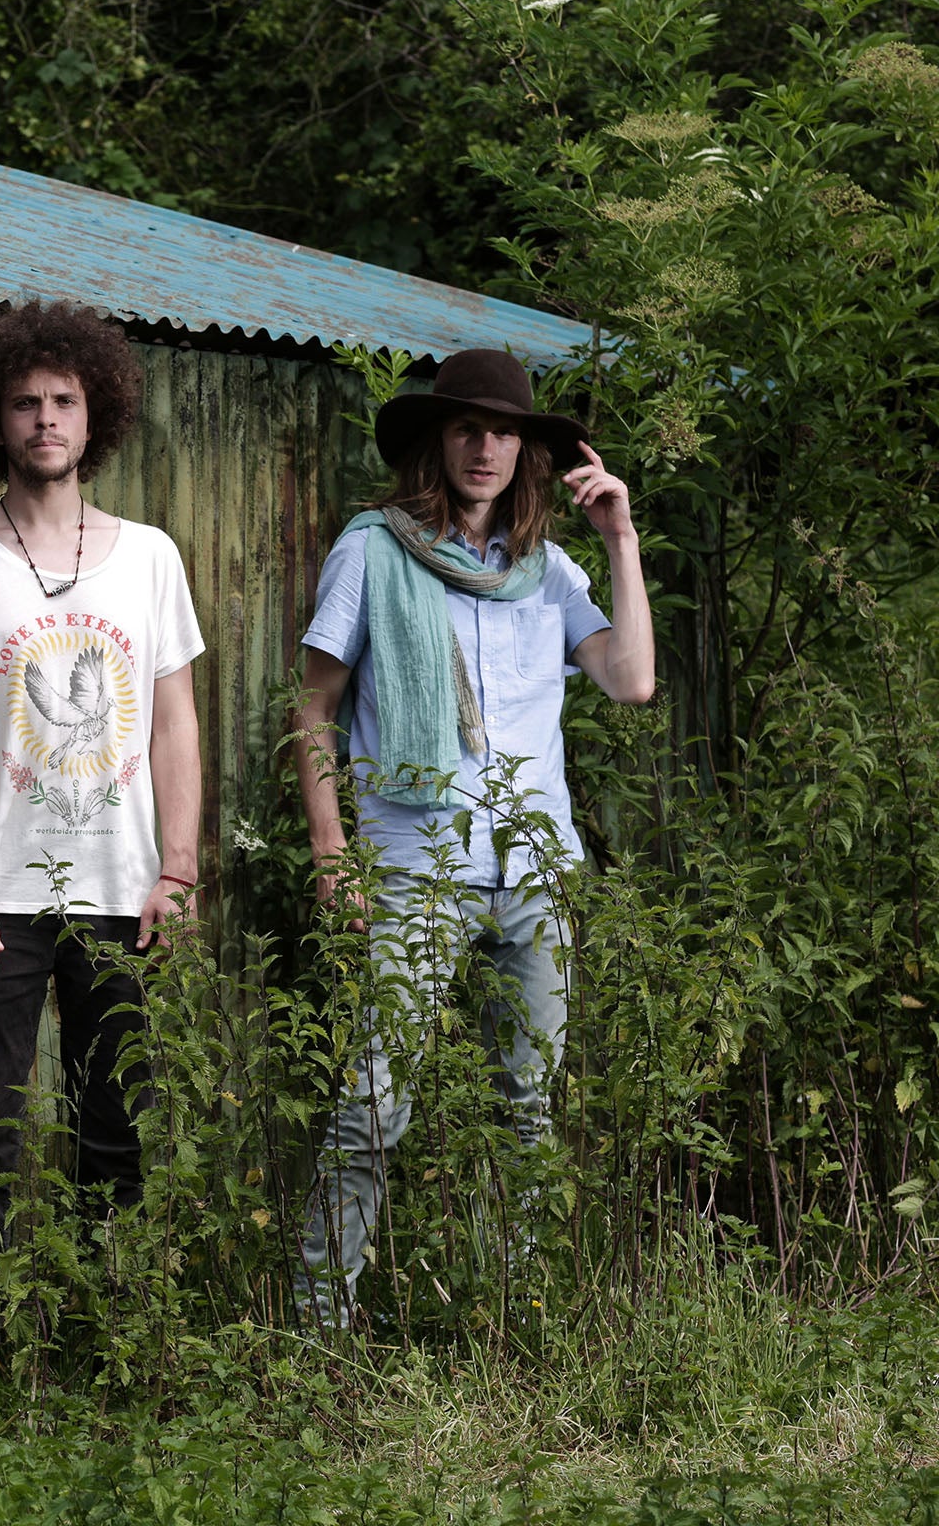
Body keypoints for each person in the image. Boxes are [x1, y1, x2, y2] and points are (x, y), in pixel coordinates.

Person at [289, 347, 655, 1327]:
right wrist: (331, 853)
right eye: (465, 429)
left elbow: (631, 681)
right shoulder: (373, 551)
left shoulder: (549, 574)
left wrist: (619, 539)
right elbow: (313, 710)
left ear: (526, 452)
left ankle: (511, 1321)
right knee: (373, 1103)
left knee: (523, 1109)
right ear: (436, 442)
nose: (484, 448)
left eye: (502, 433)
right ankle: (317, 1328)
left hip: (533, 875)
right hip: (415, 873)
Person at [0, 301, 205, 1377]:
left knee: (114, 1124)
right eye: (23, 402)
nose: (44, 419)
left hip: (122, 890)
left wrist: (178, 868)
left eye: (63, 400)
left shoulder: (149, 557)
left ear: (95, 413)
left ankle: (109, 1343)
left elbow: (173, 722)